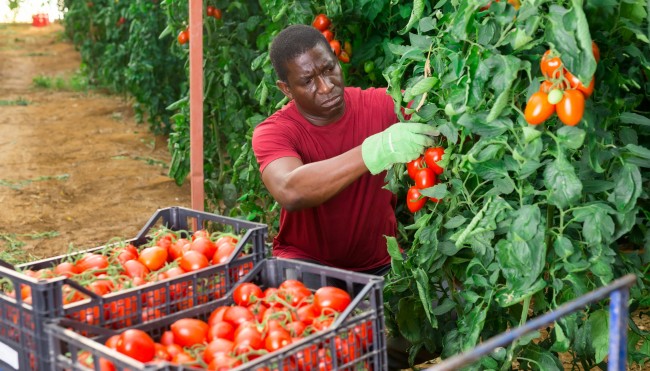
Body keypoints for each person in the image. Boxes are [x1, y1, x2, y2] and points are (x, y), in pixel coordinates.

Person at [251, 24, 437, 369]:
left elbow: (439, 109)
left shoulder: (379, 105)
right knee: (307, 350)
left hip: (379, 265)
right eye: (308, 81)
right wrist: (374, 150)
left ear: (337, 60)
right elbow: (290, 189)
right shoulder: (275, 131)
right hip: (305, 265)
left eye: (329, 69)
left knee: (431, 326)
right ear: (285, 88)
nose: (326, 86)